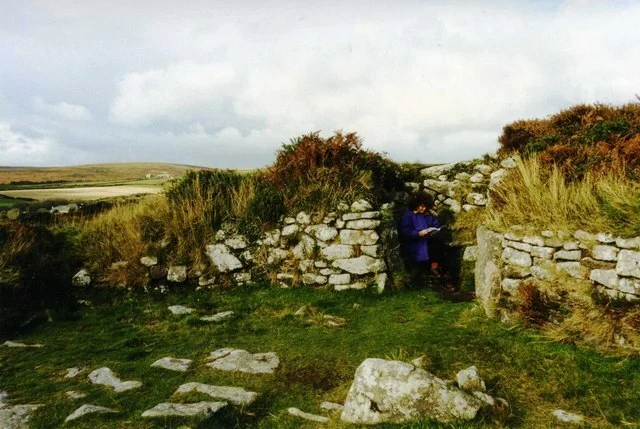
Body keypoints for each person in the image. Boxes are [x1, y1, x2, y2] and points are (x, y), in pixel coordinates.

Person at [400, 192, 451, 290]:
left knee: (439, 247)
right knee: (418, 266)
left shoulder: (427, 214)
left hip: (428, 243)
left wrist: (435, 230)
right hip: (415, 245)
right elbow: (405, 231)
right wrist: (418, 233)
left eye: (425, 207)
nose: (423, 209)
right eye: (421, 206)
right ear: (415, 204)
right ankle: (419, 283)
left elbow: (435, 224)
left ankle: (436, 276)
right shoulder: (408, 215)